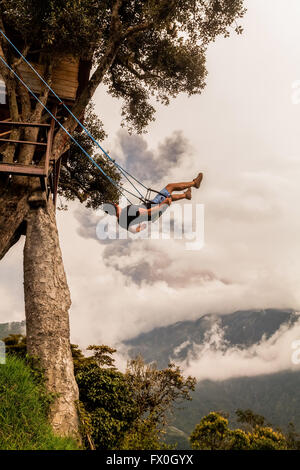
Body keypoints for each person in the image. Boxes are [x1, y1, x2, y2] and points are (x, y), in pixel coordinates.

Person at [109, 172, 203, 233]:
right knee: (170, 187)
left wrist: (139, 228)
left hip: (154, 214)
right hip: (154, 208)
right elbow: (146, 212)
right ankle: (194, 183)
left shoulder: (120, 222)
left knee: (168, 197)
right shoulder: (128, 210)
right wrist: (163, 204)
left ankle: (185, 195)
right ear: (116, 205)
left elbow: (133, 231)